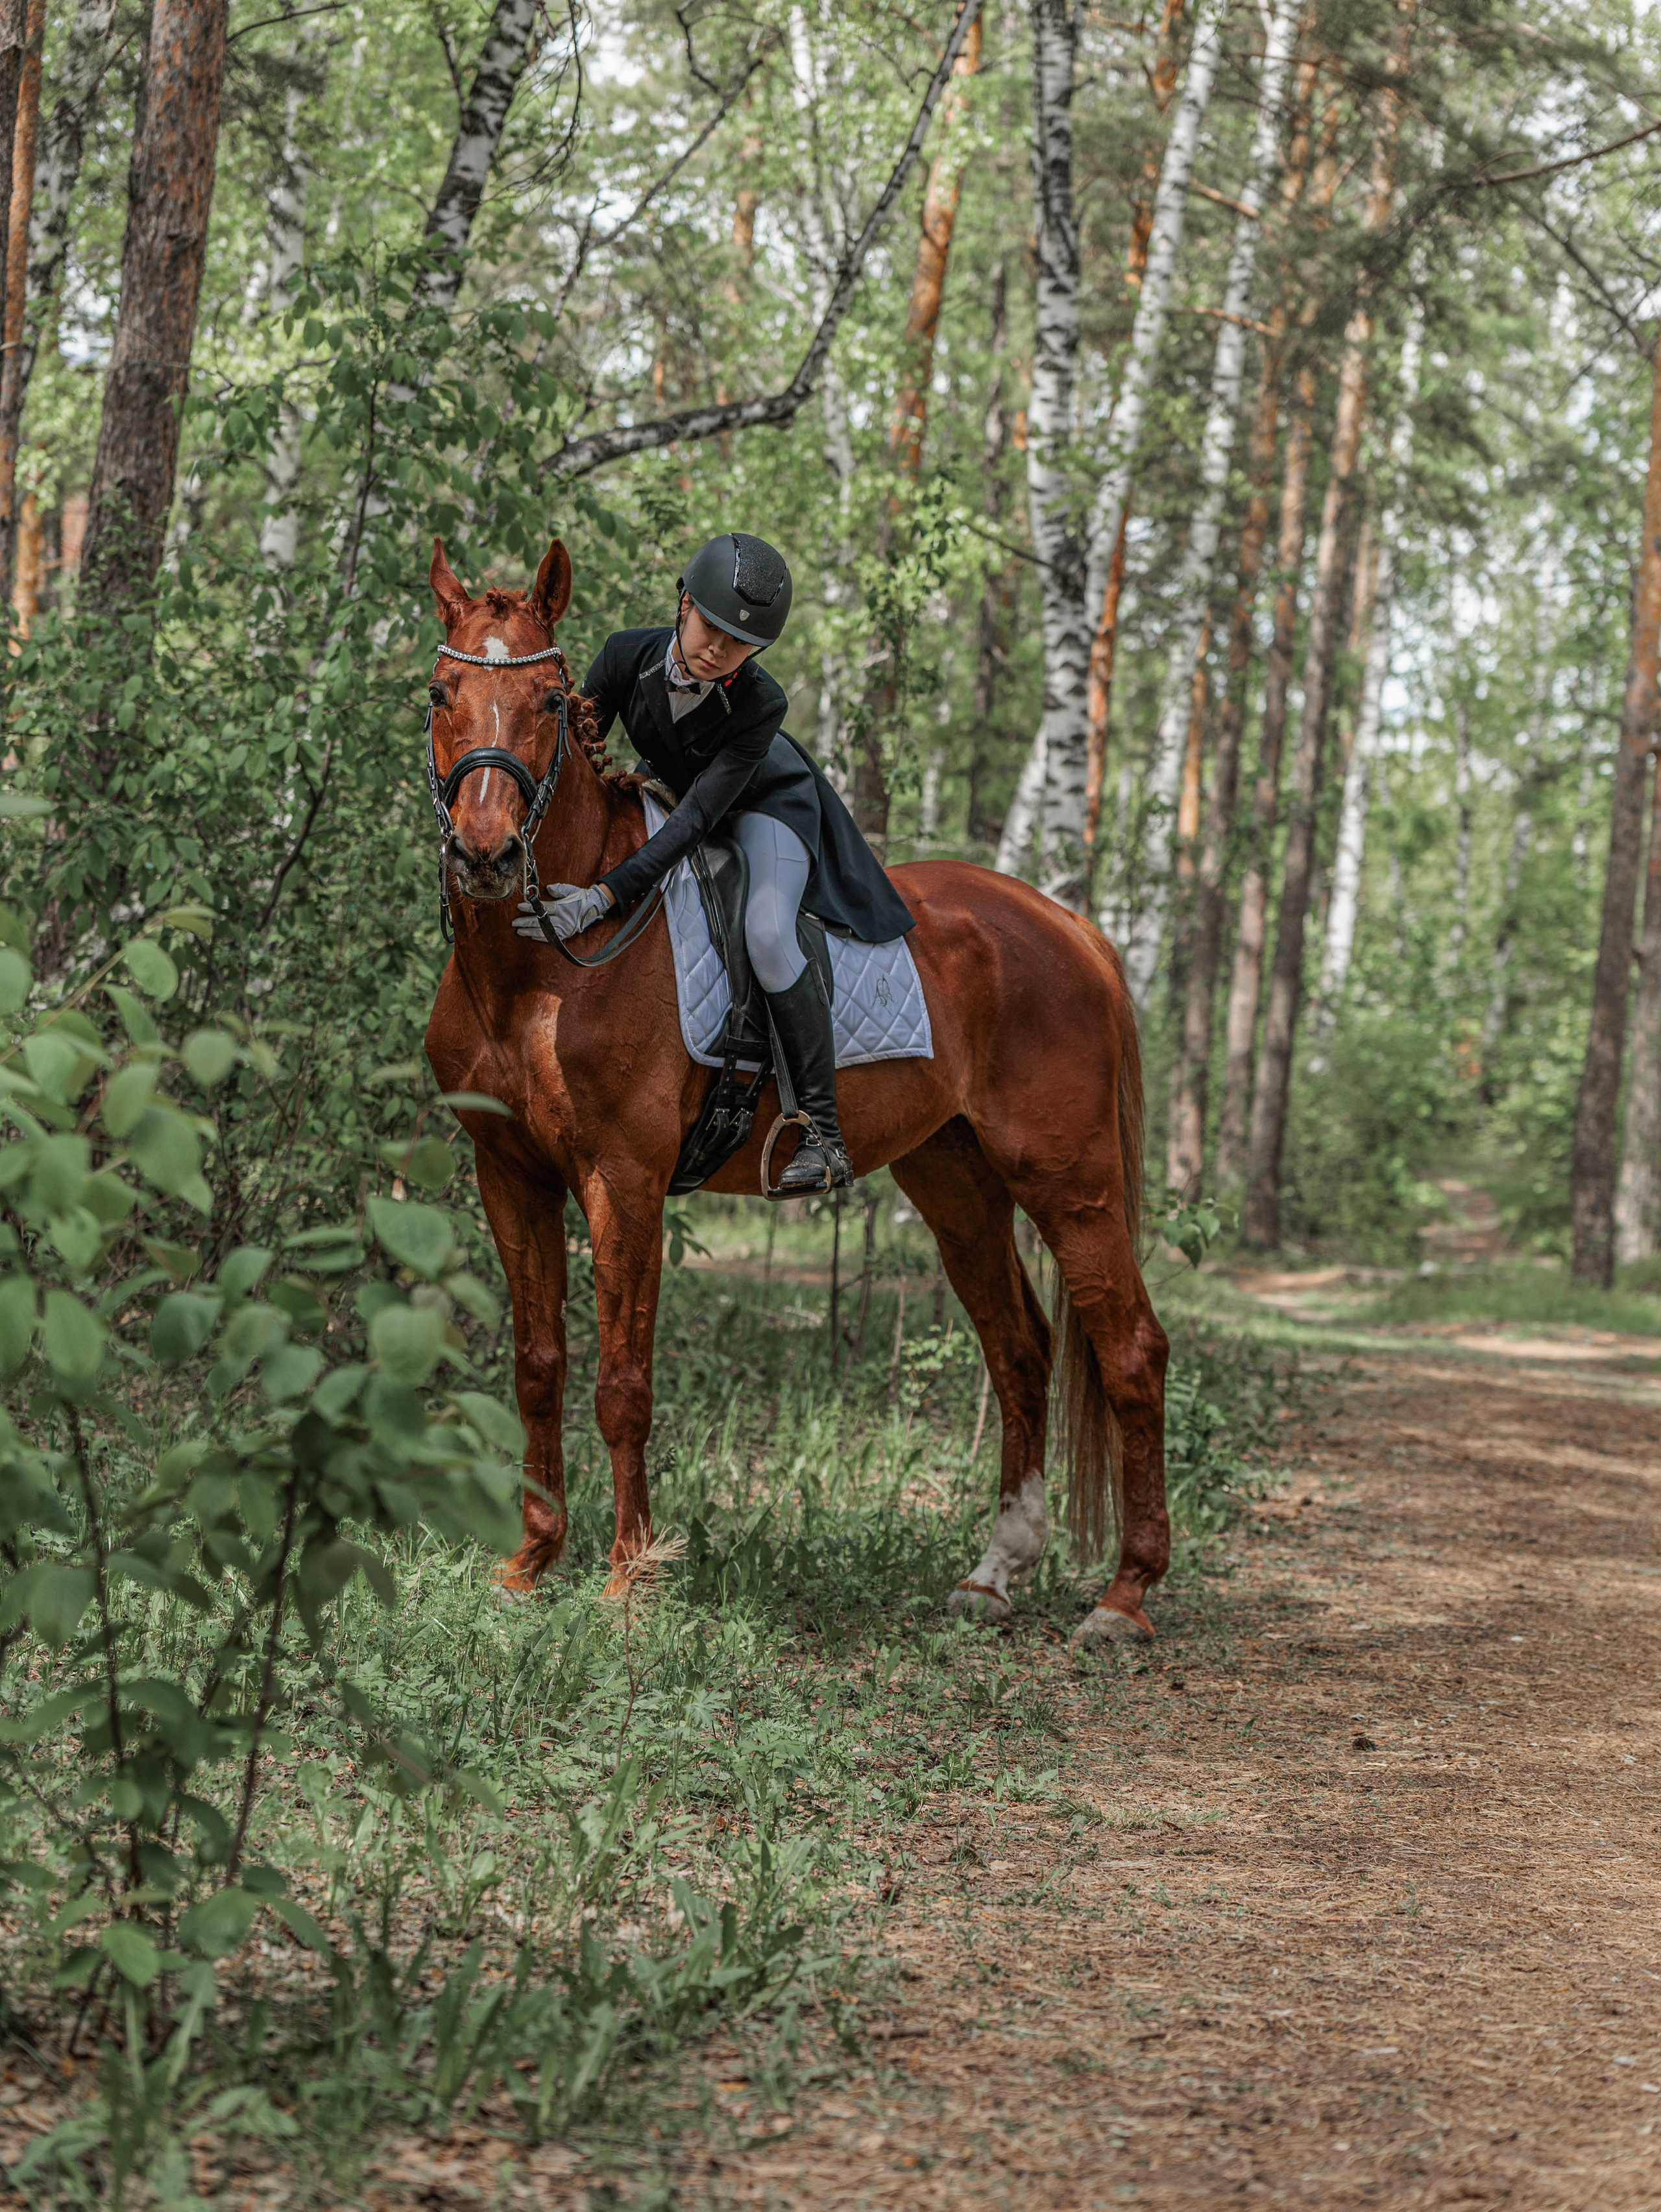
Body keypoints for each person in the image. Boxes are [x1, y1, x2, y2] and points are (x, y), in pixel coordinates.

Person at [514, 531, 914, 1194]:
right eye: (711, 624)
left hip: (764, 807)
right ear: (683, 602)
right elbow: (575, 758)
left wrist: (603, 896)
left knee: (766, 931)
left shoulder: (762, 701)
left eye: (740, 641)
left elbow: (700, 818)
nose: (719, 648)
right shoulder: (622, 654)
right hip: (675, 790)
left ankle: (823, 1133)